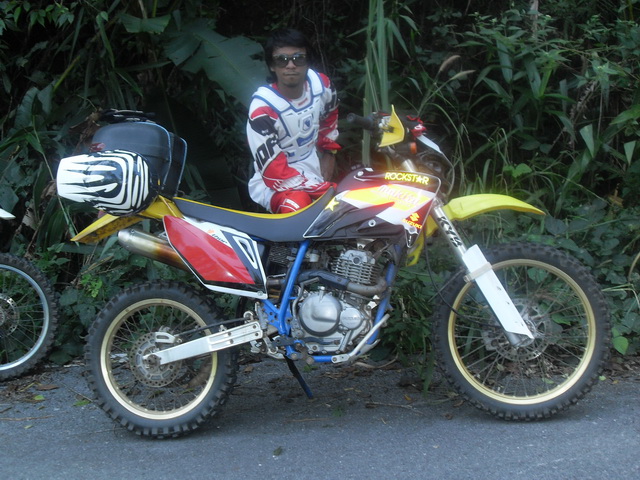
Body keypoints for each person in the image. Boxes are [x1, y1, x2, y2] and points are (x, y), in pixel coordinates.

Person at [246, 28, 340, 214]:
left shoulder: (321, 86)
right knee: (298, 207)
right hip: (274, 180)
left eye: (298, 58)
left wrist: (329, 152)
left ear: (307, 62)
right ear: (272, 66)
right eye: (281, 60)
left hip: (311, 163)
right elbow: (274, 171)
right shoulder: (263, 109)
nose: (290, 65)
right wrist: (326, 191)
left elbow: (331, 115)